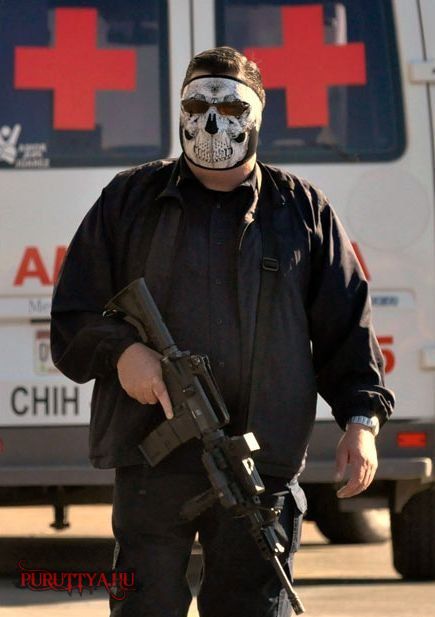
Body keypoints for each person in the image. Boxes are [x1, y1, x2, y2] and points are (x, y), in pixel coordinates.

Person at [51, 46, 395, 617]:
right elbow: (73, 314)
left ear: (259, 115)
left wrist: (362, 423)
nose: (212, 123)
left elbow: (346, 328)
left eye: (232, 108)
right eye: (196, 106)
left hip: (261, 468)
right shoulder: (129, 200)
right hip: (152, 463)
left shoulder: (301, 210)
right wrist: (123, 353)